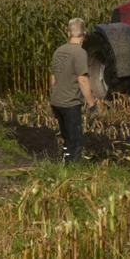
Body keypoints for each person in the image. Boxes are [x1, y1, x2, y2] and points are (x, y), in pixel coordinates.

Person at [49, 18, 98, 163]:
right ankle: (72, 168)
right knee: (75, 139)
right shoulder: (80, 53)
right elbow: (83, 80)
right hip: (70, 104)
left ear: (68, 33)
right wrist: (92, 104)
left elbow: (53, 78)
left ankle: (64, 160)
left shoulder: (58, 51)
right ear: (84, 34)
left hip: (57, 102)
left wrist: (55, 95)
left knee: (66, 137)